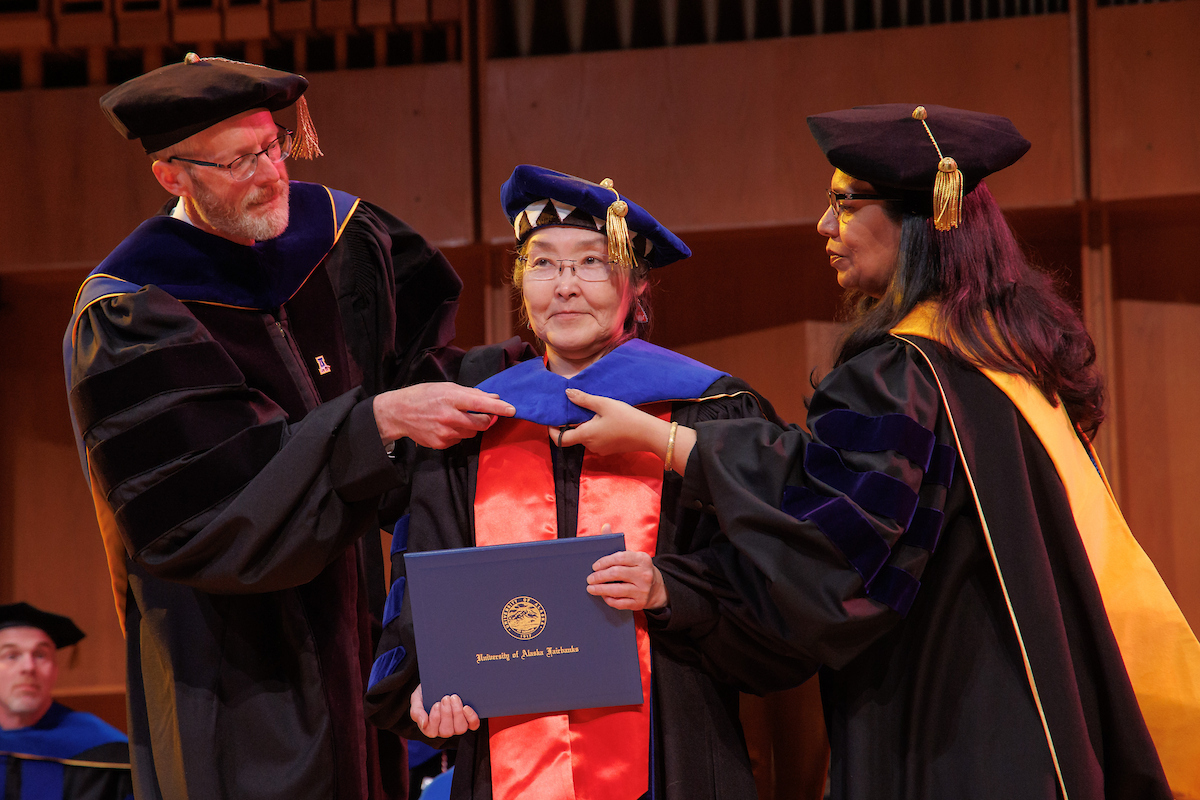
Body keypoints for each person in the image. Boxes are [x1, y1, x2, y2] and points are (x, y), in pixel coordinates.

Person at [558, 105, 1200, 798]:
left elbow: (839, 549)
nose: (823, 227)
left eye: (843, 202)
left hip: (948, 732)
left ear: (922, 220)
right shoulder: (1007, 364)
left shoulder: (904, 375)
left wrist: (669, 441)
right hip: (1043, 730)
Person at [63, 55, 513, 800]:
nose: (272, 173)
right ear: (172, 175)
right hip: (235, 655)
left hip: (359, 613)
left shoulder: (343, 238)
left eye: (274, 145)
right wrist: (372, 424)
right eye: (239, 161)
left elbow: (420, 368)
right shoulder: (131, 308)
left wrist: (532, 372)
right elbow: (201, 508)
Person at [364, 165, 811, 799]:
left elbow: (779, 592)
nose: (565, 288)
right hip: (505, 765)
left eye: (592, 264)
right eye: (543, 264)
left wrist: (667, 590)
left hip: (672, 751)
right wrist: (427, 695)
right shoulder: (474, 425)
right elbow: (424, 594)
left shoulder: (704, 414)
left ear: (636, 286)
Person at [0, 603, 133, 800]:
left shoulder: (103, 751)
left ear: (55, 669)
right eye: (11, 655)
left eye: (40, 655)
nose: (28, 667)